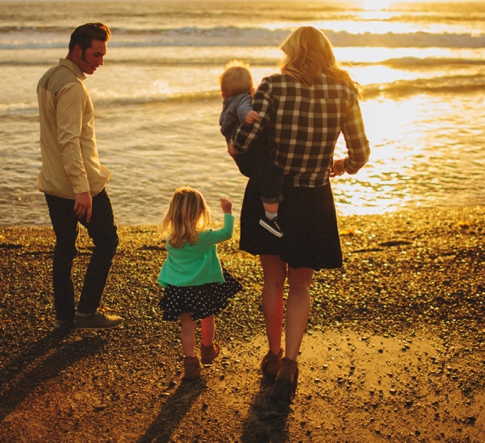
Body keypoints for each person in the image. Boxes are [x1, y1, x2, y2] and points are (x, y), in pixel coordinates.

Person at [231, 26, 370, 401]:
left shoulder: (273, 86)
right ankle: (292, 362)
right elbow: (360, 151)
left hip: (271, 196)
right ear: (326, 53)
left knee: (273, 279)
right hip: (313, 198)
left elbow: (245, 138)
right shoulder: (343, 91)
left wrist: (233, 144)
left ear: (291, 52)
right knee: (302, 284)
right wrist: (343, 165)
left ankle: (273, 356)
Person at [36, 22, 122, 331]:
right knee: (107, 240)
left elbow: (54, 137)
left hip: (53, 182)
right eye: (96, 54)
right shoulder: (72, 86)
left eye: (102, 54)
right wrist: (82, 190)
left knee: (65, 247)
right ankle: (86, 311)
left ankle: (64, 317)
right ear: (77, 51)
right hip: (79, 184)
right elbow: (68, 141)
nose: (100, 61)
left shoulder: (49, 78)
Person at [157, 188, 243, 380]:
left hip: (179, 288)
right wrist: (228, 212)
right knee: (207, 316)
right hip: (202, 285)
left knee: (187, 326)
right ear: (200, 212)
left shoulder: (171, 238)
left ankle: (190, 364)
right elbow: (227, 233)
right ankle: (207, 350)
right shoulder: (203, 237)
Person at [218, 60, 284, 238]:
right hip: (248, 153)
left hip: (240, 157)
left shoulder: (227, 103)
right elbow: (244, 107)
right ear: (252, 90)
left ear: (223, 95)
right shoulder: (244, 100)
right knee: (269, 178)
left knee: (261, 176)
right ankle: (271, 217)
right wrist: (248, 115)